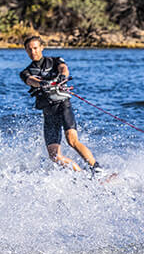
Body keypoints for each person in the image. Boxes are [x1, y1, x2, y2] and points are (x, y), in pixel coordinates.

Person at [19, 35, 102, 173]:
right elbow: (30, 80)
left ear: (41, 48)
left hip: (63, 105)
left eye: (35, 48)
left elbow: (64, 68)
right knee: (54, 155)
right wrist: (40, 83)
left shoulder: (55, 61)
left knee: (72, 140)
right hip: (48, 112)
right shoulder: (25, 72)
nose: (33, 52)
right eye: (29, 49)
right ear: (26, 51)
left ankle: (97, 169)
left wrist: (62, 76)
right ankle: (82, 175)